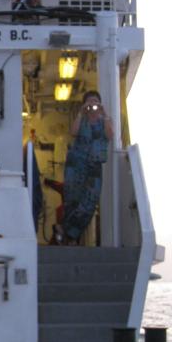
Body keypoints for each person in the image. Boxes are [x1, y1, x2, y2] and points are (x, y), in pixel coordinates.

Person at [55, 90, 113, 246]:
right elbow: (73, 132)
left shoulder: (104, 120)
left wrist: (104, 113)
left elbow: (110, 135)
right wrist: (81, 113)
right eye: (90, 102)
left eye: (95, 101)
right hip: (77, 165)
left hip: (94, 166)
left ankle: (66, 230)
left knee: (90, 202)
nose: (93, 105)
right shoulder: (82, 119)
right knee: (72, 200)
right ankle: (71, 237)